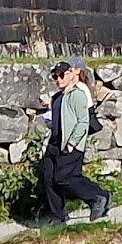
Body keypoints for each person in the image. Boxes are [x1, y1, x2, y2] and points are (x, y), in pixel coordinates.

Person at [39, 60, 110, 224]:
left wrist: (72, 143)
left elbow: (83, 122)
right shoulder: (58, 97)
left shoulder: (78, 94)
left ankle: (97, 197)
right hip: (55, 143)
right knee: (49, 180)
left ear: (71, 75)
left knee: (65, 178)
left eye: (62, 75)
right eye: (55, 77)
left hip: (70, 145)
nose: (59, 79)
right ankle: (58, 216)